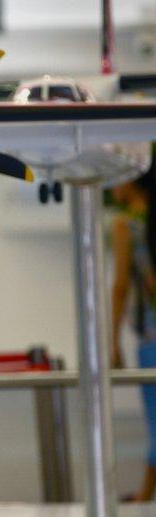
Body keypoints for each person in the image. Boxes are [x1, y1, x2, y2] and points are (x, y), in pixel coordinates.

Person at [111, 157, 156, 502]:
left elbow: (121, 286)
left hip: (151, 338)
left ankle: (144, 497)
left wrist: (112, 341)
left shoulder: (127, 226)